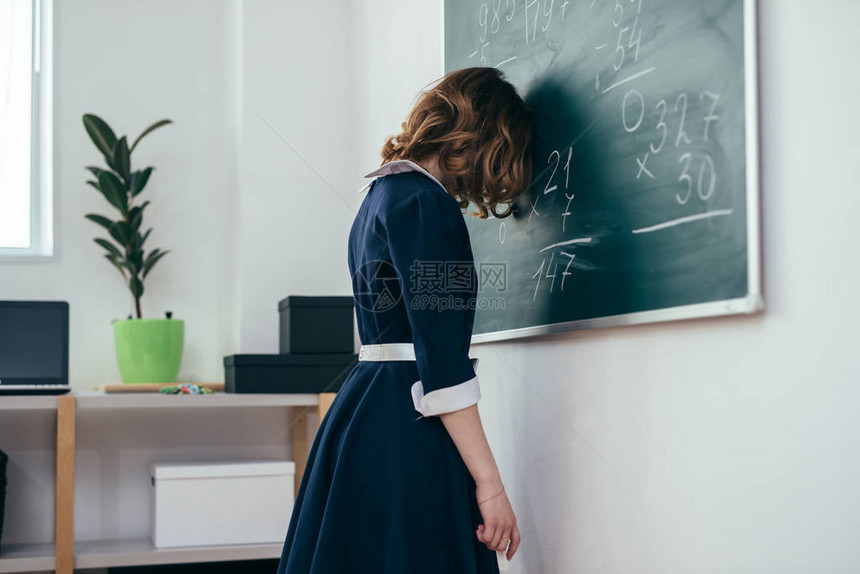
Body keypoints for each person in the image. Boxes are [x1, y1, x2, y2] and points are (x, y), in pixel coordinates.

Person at [277, 67, 535, 574]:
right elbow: (441, 363)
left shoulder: (379, 196)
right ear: (485, 137)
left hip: (364, 407)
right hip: (407, 424)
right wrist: (491, 484)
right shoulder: (426, 205)